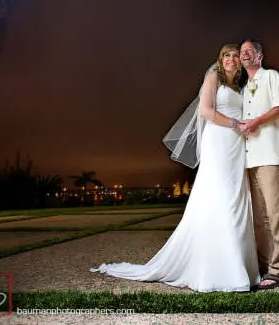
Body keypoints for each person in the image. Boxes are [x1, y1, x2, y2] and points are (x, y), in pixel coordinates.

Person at [90, 43, 260, 292]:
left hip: (236, 146)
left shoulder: (241, 86)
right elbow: (205, 111)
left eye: (235, 55)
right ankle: (219, 270)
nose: (232, 59)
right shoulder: (213, 78)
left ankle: (241, 265)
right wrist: (235, 123)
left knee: (237, 198)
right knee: (220, 197)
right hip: (219, 142)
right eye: (227, 55)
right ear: (220, 59)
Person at [238, 39, 279, 289]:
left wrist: (256, 122)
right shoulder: (242, 87)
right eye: (242, 52)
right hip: (249, 158)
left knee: (276, 213)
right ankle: (264, 268)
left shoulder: (273, 77)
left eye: (250, 50)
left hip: (271, 155)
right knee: (259, 218)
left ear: (260, 56)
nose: (244, 54)